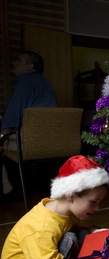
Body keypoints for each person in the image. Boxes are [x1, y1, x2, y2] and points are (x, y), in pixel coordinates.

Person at [1, 155, 109, 259]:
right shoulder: (42, 228)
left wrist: (97, 232)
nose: (97, 208)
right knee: (69, 240)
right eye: (93, 202)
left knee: (82, 232)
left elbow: (86, 226)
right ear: (71, 195)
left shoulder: (63, 211)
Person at [1, 50, 58, 201]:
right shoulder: (45, 83)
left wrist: (3, 135)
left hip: (31, 139)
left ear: (29, 66)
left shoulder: (25, 81)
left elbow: (14, 113)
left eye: (18, 61)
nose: (14, 63)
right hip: (52, 139)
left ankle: (9, 190)